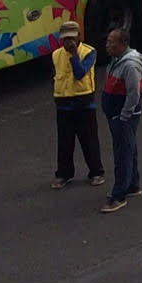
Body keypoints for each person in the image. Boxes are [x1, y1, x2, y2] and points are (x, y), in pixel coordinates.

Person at [50, 21, 104, 189]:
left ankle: (96, 172)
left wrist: (74, 56)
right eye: (65, 40)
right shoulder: (56, 55)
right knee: (65, 142)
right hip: (64, 104)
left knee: (89, 140)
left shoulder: (89, 52)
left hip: (84, 103)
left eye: (71, 39)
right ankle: (64, 174)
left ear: (79, 37)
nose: (68, 43)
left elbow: (80, 73)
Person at [99, 27, 142, 213]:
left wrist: (124, 115)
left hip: (122, 117)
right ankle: (133, 184)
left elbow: (134, 94)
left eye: (112, 42)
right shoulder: (117, 60)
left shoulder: (130, 65)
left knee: (122, 154)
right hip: (117, 115)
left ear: (123, 44)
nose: (108, 45)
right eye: (108, 41)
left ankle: (119, 195)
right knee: (129, 148)